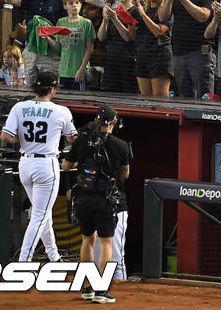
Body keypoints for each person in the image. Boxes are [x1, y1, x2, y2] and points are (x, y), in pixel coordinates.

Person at [0, 71, 77, 262]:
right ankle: (23, 262)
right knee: (40, 216)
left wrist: (22, 138)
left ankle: (54, 257)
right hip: (46, 164)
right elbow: (72, 137)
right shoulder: (61, 110)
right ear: (52, 89)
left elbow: (5, 136)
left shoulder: (20, 107)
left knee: (42, 213)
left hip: (25, 163)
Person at [62, 105, 130, 303]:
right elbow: (125, 174)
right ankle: (101, 290)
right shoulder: (120, 145)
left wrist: (82, 164)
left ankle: (87, 287)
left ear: (97, 120)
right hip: (105, 199)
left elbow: (66, 165)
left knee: (87, 240)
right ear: (114, 123)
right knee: (106, 242)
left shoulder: (82, 139)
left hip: (83, 197)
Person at [160, 0, 216, 98]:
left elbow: (203, 16)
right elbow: (162, 17)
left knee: (204, 97)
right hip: (179, 51)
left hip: (199, 52)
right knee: (184, 97)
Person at [4, 0, 66, 86]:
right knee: (29, 85)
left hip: (50, 50)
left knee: (49, 85)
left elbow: (64, 24)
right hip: (31, 48)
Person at [132, 0, 174, 97]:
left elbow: (158, 31)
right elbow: (133, 37)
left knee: (159, 100)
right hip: (142, 56)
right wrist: (130, 22)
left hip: (160, 57)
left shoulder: (166, 10)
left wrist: (143, 15)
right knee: (144, 99)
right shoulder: (142, 9)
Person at [52, 0, 96, 91]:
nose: (74, 5)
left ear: (81, 5)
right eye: (71, 3)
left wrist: (82, 70)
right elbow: (58, 47)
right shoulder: (61, 22)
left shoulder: (86, 23)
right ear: (65, 6)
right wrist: (46, 36)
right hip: (64, 71)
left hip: (79, 71)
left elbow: (90, 48)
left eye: (77, 2)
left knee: (79, 101)